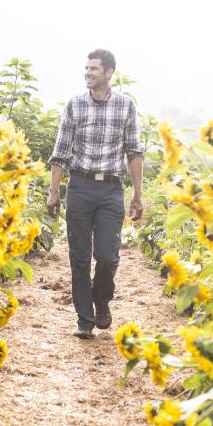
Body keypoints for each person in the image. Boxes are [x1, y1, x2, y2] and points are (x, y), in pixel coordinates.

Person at [46, 49, 143, 338]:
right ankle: (84, 319)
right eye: (86, 68)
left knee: (108, 256)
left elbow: (134, 151)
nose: (87, 73)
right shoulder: (74, 106)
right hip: (80, 186)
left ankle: (102, 301)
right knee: (79, 257)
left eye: (94, 69)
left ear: (109, 72)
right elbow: (61, 152)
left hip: (112, 189)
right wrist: (54, 191)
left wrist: (138, 195)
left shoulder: (126, 106)